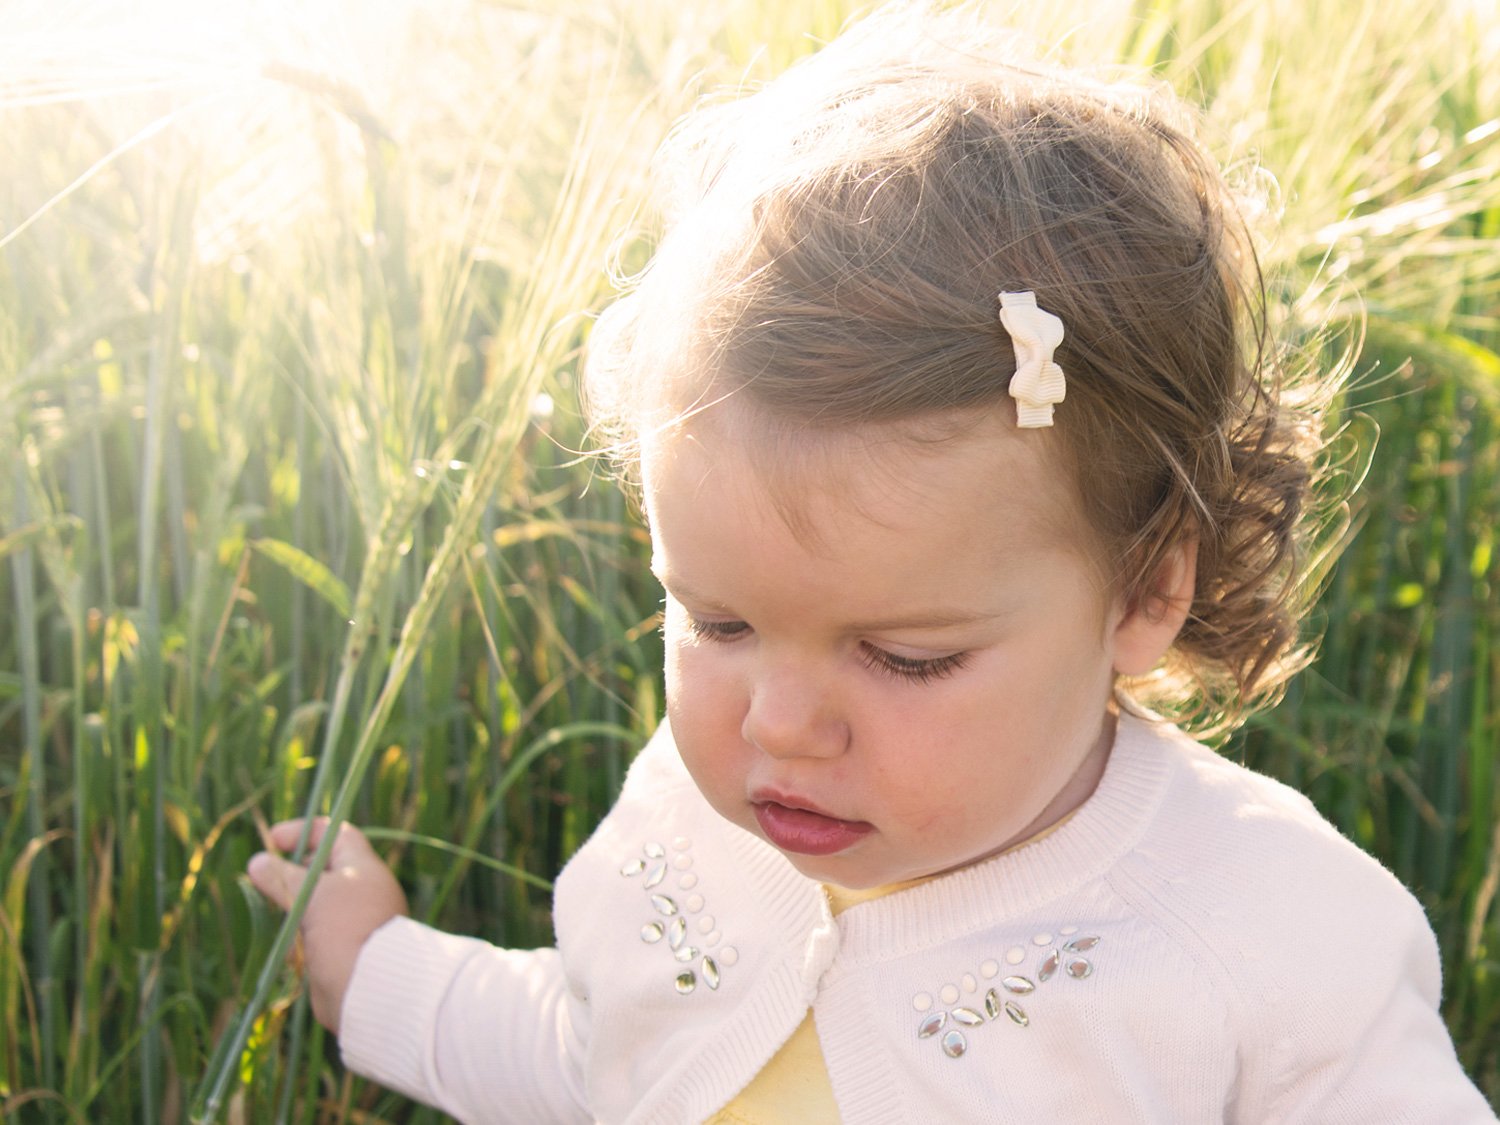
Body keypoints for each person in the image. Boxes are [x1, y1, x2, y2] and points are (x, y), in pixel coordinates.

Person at [246, 5, 1497, 1121]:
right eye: (717, 624)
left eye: (907, 657)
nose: (779, 726)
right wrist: (383, 971)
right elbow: (594, 1058)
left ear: (1146, 591)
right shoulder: (688, 826)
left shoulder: (1266, 939)